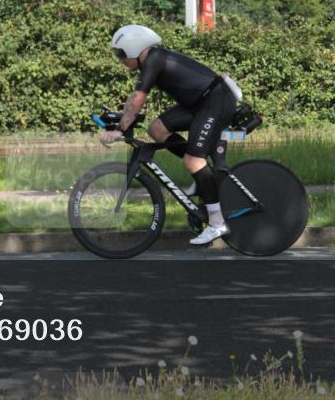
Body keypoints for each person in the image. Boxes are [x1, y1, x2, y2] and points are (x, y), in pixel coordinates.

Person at [100, 24, 238, 246]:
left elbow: (138, 98)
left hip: (215, 101)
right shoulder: (152, 60)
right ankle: (204, 177)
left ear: (134, 48)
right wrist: (122, 118)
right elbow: (133, 100)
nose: (120, 59)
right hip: (200, 103)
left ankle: (216, 223)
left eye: (121, 54)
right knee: (156, 129)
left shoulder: (154, 59)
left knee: (193, 161)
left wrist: (120, 129)